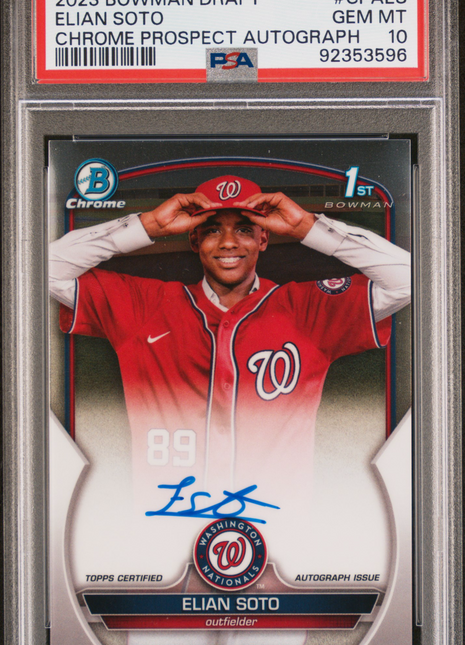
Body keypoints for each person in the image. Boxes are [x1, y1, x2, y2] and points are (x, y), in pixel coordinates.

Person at [50, 174, 410, 645]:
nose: (227, 242)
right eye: (212, 229)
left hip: (276, 549)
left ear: (265, 238)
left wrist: (308, 227)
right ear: (192, 239)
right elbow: (38, 269)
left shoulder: (305, 308)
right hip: (165, 545)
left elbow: (415, 278)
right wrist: (148, 225)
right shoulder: (146, 305)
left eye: (243, 228)